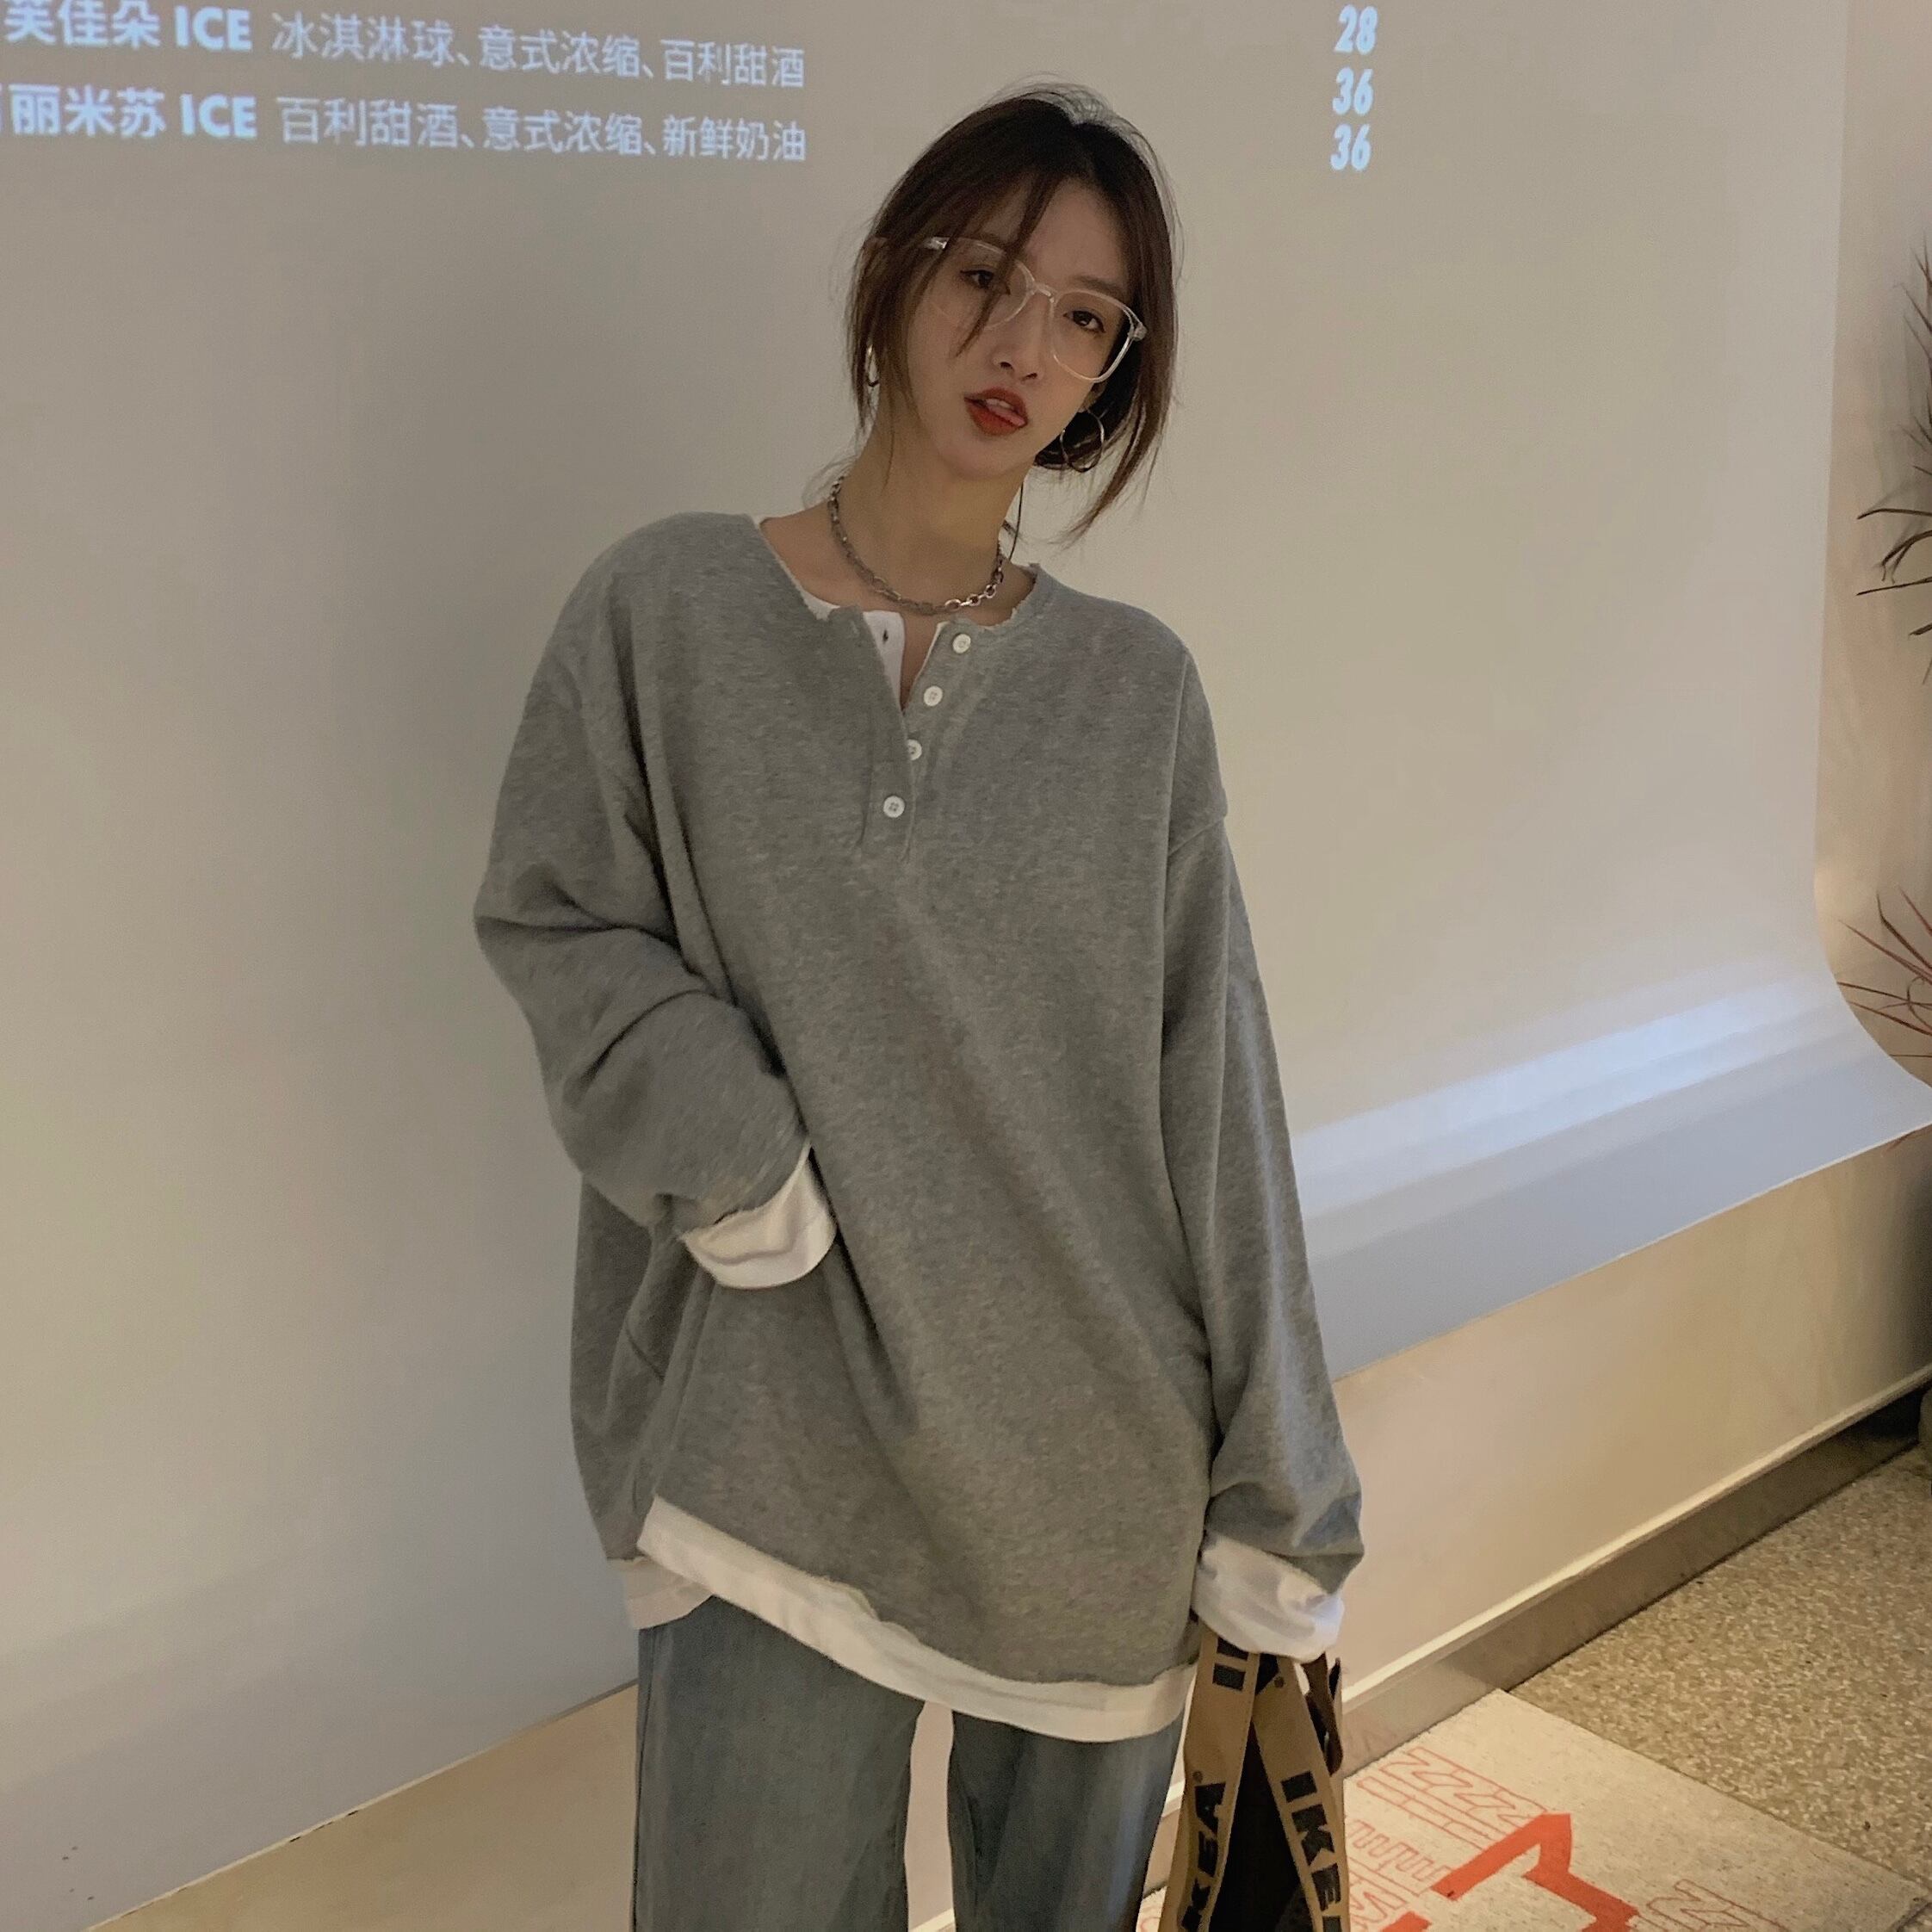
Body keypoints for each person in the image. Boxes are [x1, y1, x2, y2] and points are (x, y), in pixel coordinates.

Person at [471, 79, 1365, 1932]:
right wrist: (732, 1154)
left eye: (1086, 318)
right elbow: (559, 915)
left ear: (1112, 370)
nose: (1024, 347)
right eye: (986, 277)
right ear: (891, 273)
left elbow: (1214, 1085)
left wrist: (1283, 1492)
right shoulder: (665, 610)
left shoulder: (1134, 692)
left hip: (1090, 1472)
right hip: (770, 1442)